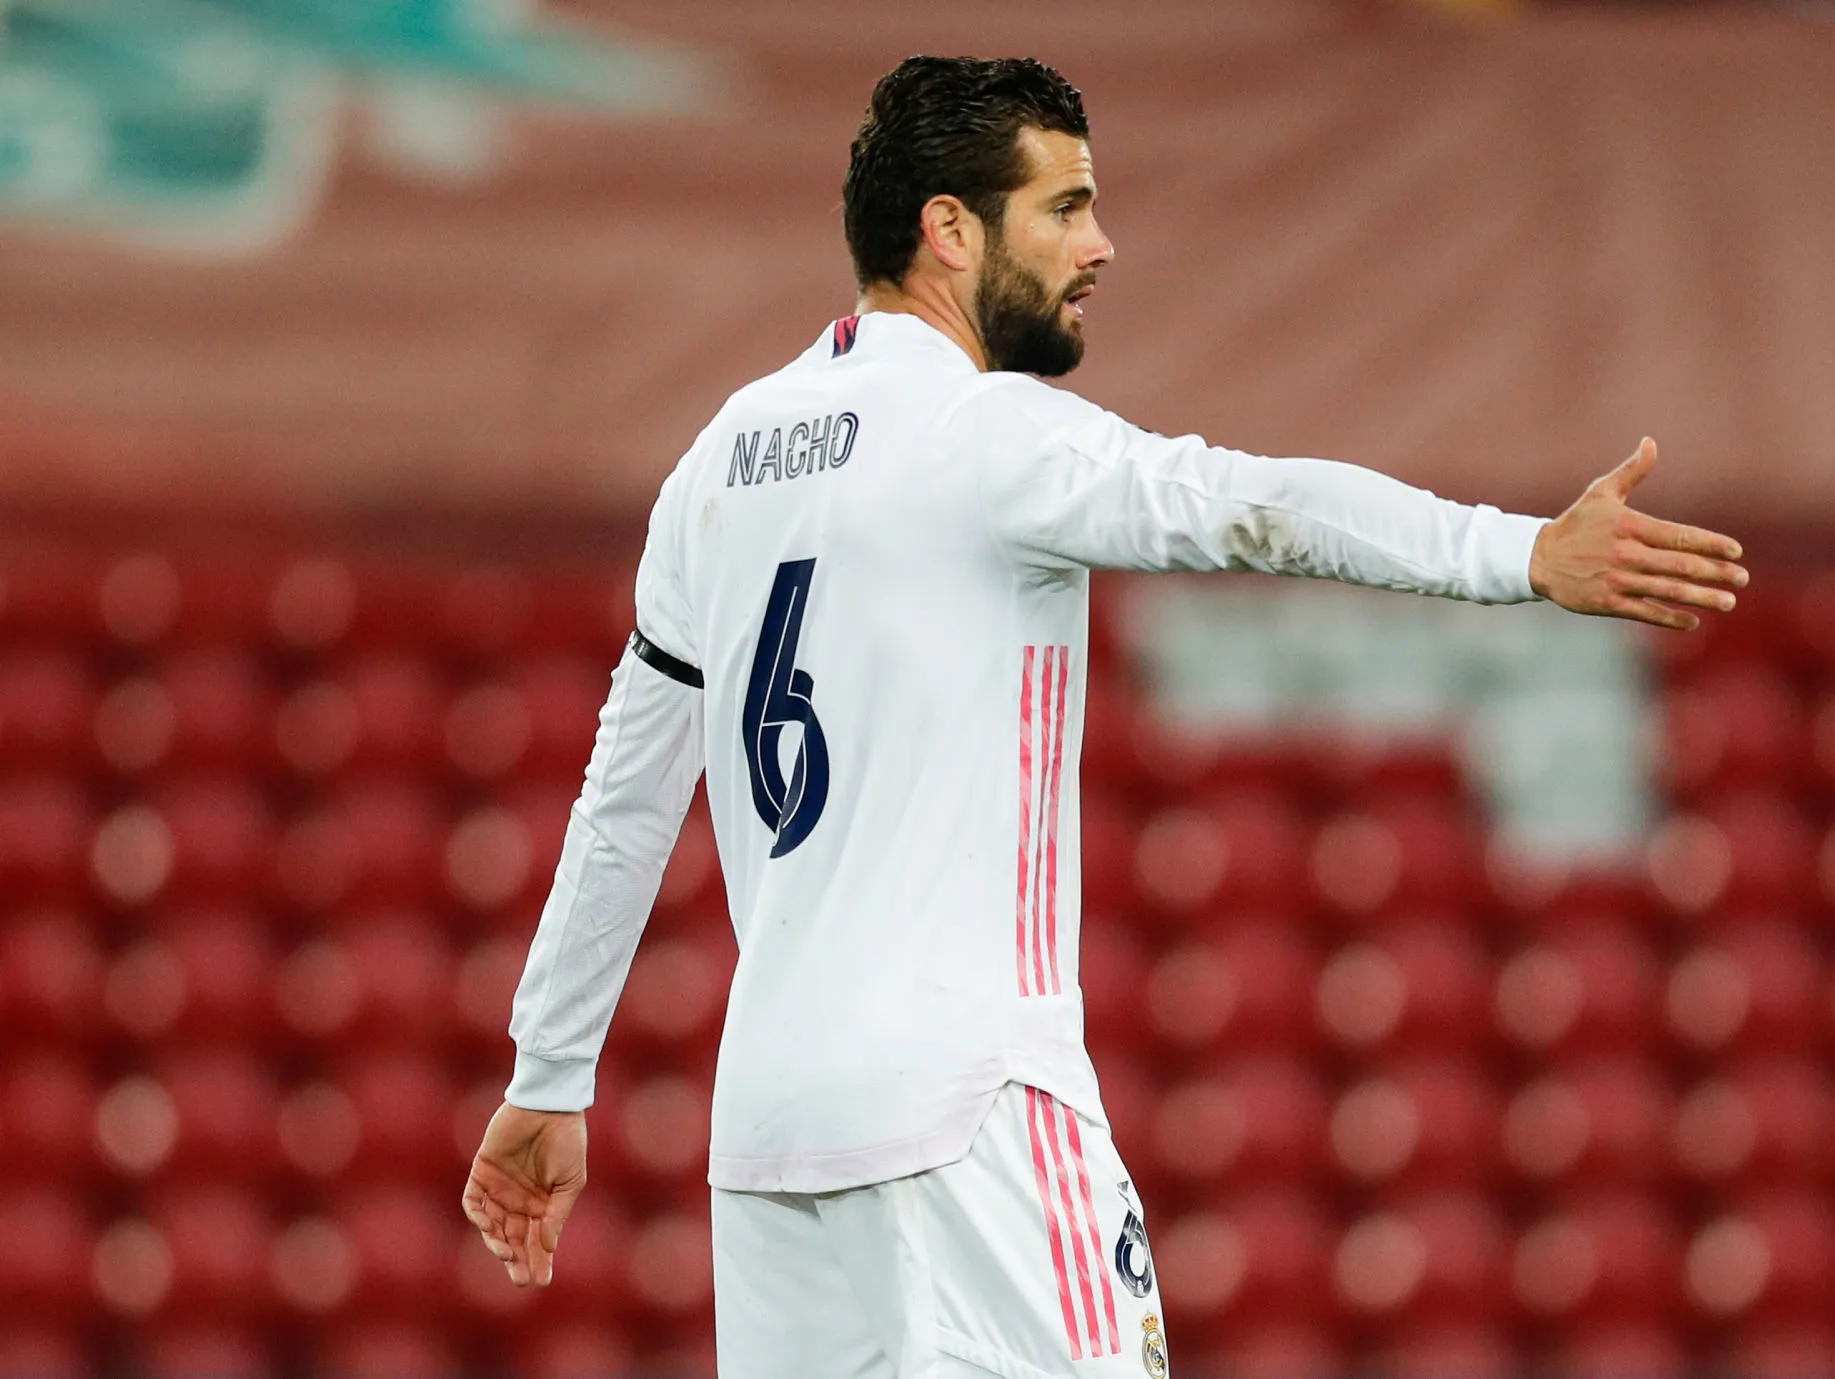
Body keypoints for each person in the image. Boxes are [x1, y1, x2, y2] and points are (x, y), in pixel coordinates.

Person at [461, 55, 1747, 1378]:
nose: (1101, 244)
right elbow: (1253, 504)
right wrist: (1514, 551)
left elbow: (623, 795)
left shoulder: (719, 460)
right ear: (949, 229)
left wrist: (550, 1073)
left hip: (771, 1143)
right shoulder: (981, 433)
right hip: (969, 1106)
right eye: (1063, 206)